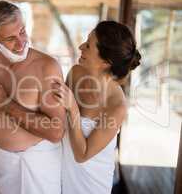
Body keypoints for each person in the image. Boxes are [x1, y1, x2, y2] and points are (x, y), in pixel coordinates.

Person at [0, 1, 66, 194]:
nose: (21, 42)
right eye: (11, 38)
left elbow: (56, 132)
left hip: (39, 165)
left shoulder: (47, 67)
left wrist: (5, 103)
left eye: (22, 31)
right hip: (1, 163)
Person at [52, 21, 141, 194]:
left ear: (106, 61)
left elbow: (82, 155)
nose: (80, 47)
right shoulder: (75, 73)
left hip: (90, 185)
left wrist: (73, 108)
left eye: (88, 46)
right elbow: (57, 117)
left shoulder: (116, 105)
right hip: (59, 175)